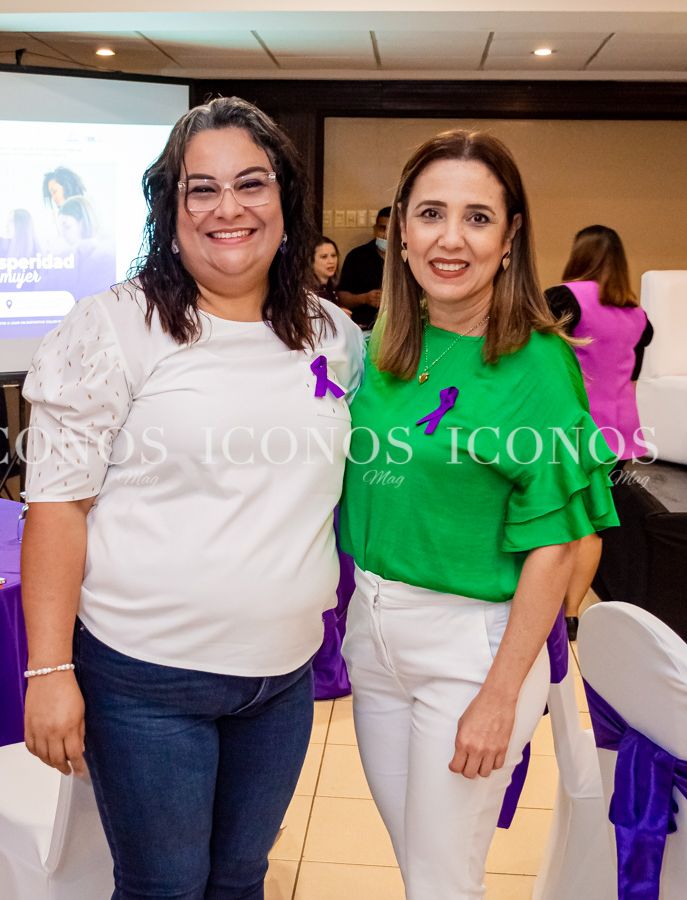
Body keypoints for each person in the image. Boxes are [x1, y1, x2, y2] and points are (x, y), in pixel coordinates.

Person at [21, 96, 364, 900]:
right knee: (165, 887)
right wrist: (48, 671)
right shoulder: (112, 330)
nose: (228, 208)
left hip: (281, 677)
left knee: (242, 879)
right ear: (168, 208)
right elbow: (57, 509)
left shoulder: (331, 337)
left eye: (250, 183)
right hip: (145, 681)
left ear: (285, 199)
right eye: (199, 188)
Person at [338, 130, 618, 900]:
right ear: (399, 228)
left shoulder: (538, 362)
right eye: (430, 213)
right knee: (423, 865)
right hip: (375, 631)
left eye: (477, 218)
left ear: (511, 235)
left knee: (441, 882)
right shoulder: (387, 345)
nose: (450, 239)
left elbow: (559, 547)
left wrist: (500, 695)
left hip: (475, 648)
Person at [546, 224, 653, 640]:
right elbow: (634, 372)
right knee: (593, 522)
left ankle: (550, 604)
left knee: (560, 517)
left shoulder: (565, 299)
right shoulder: (638, 316)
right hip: (620, 430)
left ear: (579, 255)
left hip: (574, 426)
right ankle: (572, 612)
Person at [337, 207, 390, 330]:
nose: (387, 235)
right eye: (383, 228)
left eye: (392, 229)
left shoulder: (408, 258)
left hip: (398, 328)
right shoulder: (357, 256)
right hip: (362, 327)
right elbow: (341, 296)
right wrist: (365, 298)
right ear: (375, 230)